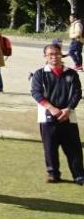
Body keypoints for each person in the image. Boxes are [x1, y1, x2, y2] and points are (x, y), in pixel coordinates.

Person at [30, 43, 84, 184]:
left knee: (74, 148)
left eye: (56, 53)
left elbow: (77, 93)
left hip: (68, 116)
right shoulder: (40, 74)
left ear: (61, 54)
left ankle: (78, 175)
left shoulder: (71, 73)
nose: (54, 57)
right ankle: (53, 173)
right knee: (50, 147)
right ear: (45, 57)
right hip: (47, 116)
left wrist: (68, 109)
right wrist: (51, 108)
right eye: (50, 54)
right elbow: (36, 93)